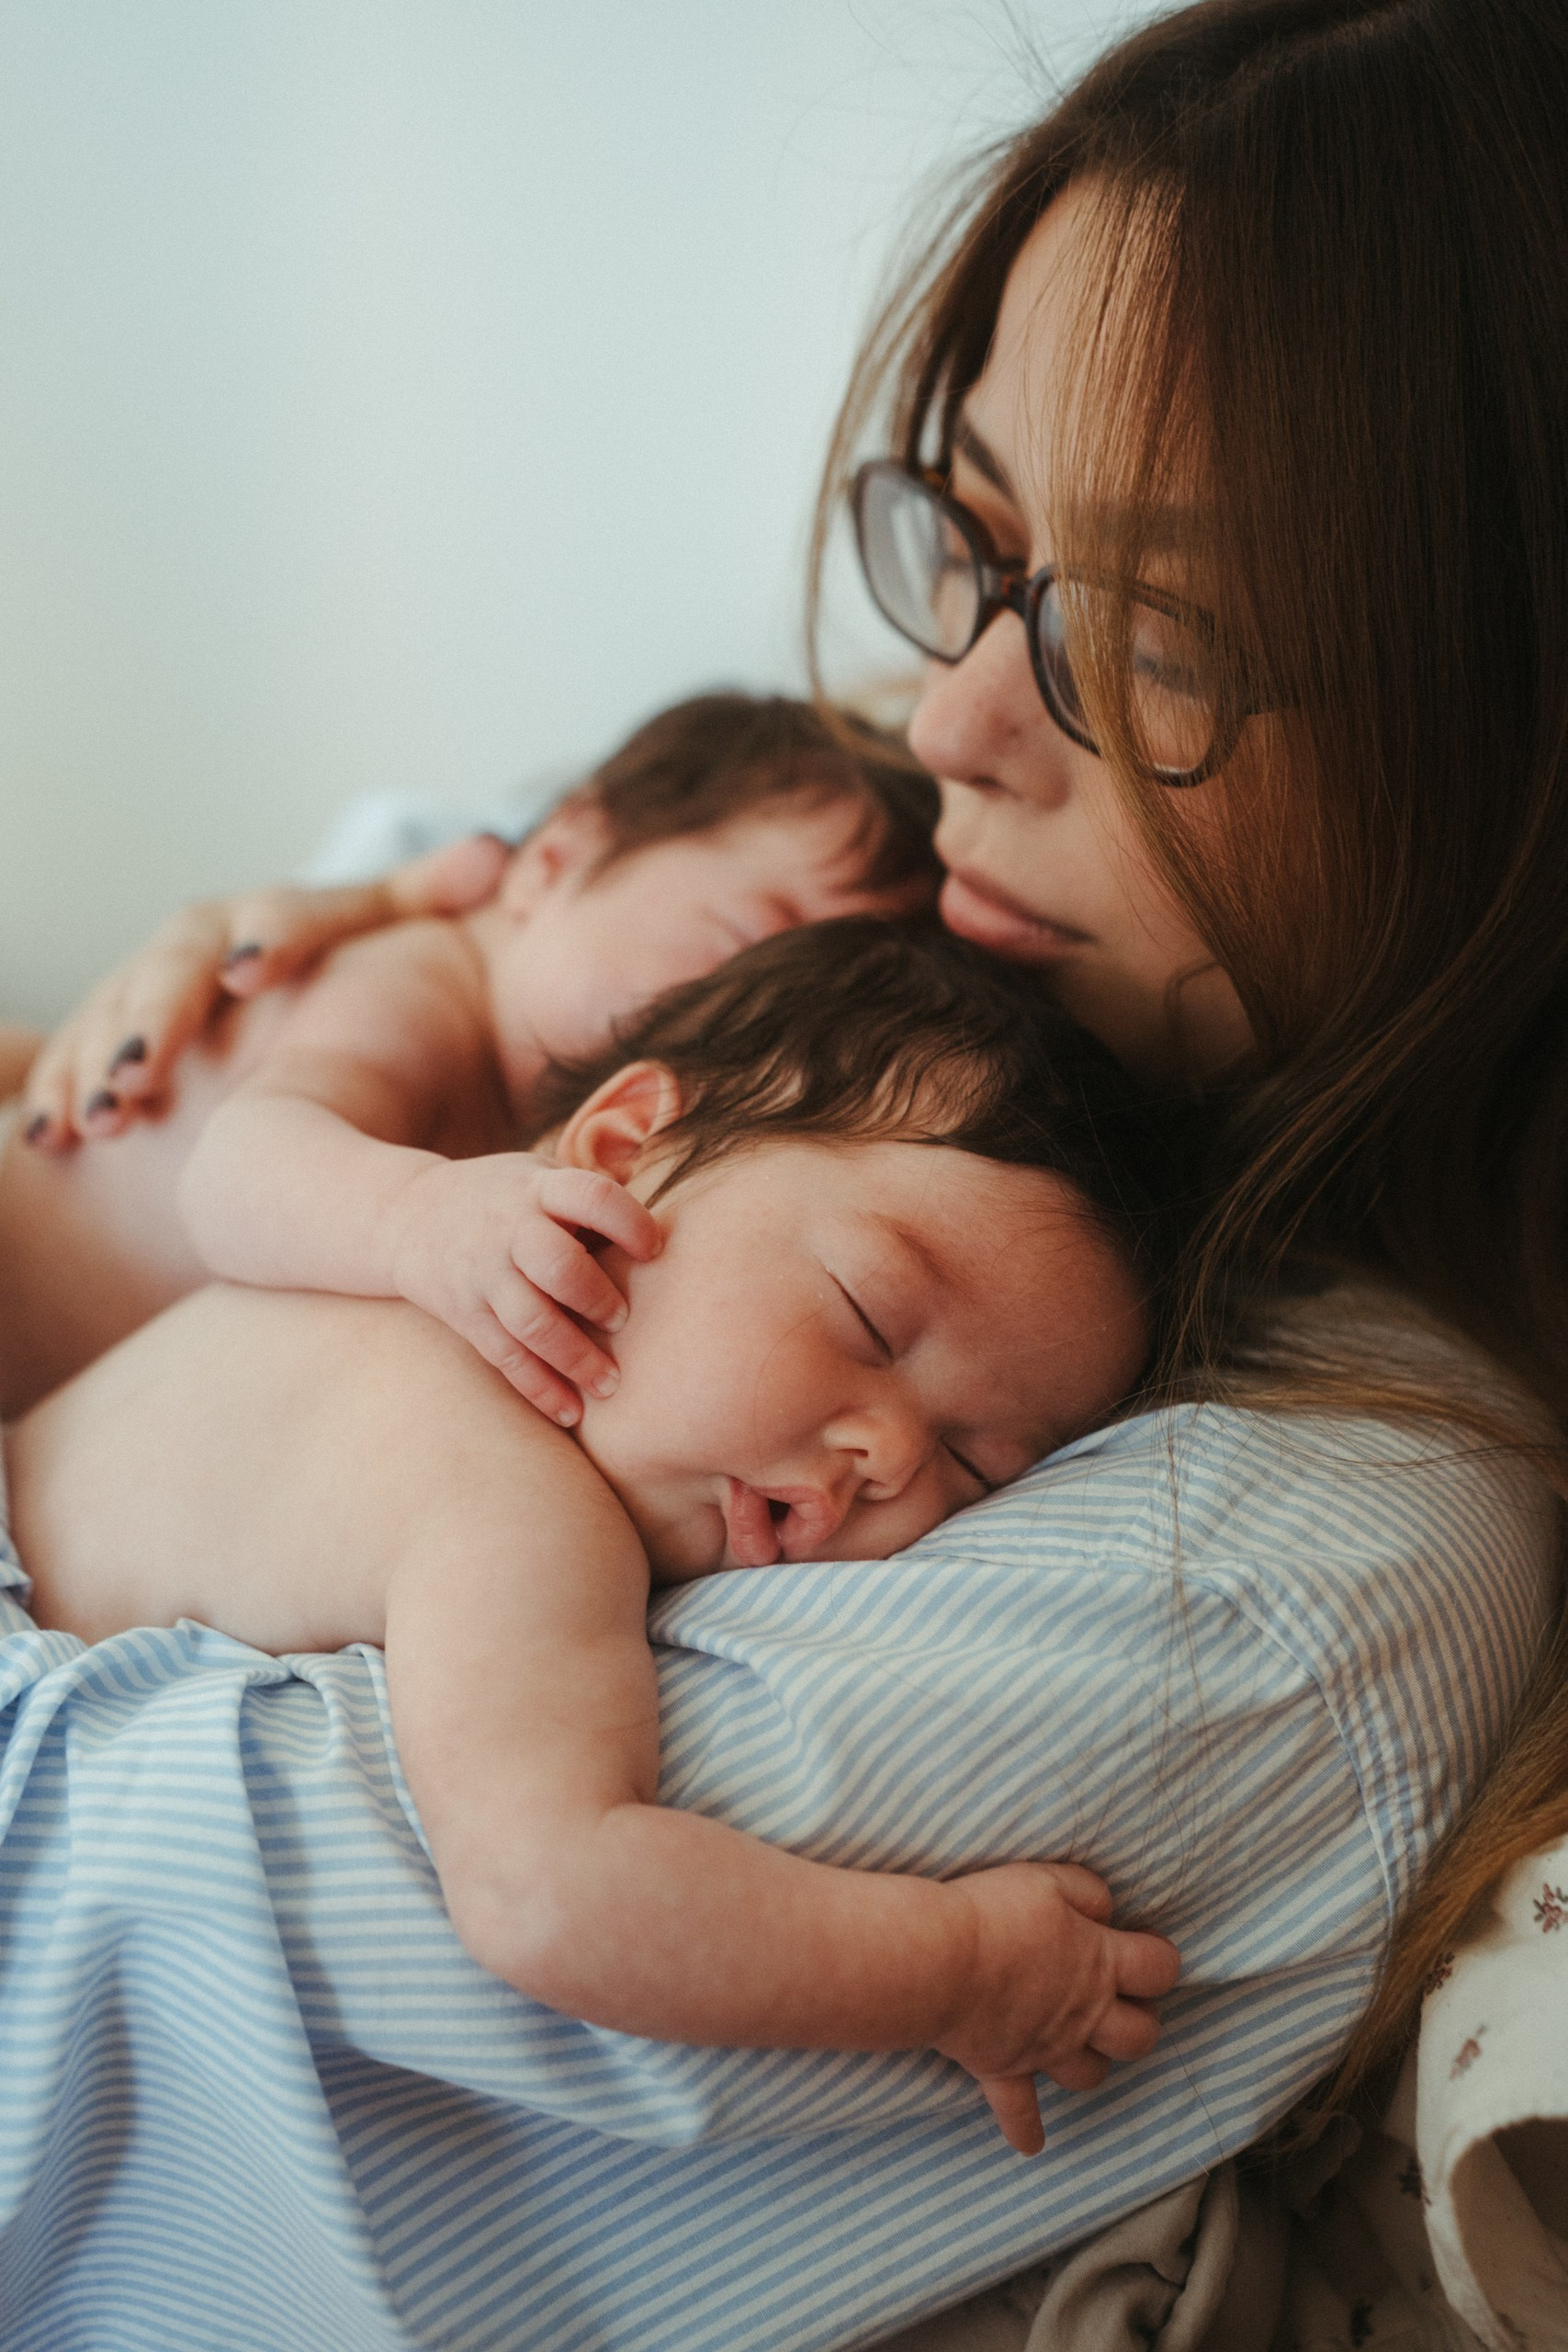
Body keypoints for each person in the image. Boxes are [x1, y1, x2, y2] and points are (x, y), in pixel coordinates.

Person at [2, 3, 1566, 2346]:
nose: (946, 726)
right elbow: (339, 954)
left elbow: (186, 1933)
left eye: (1154, 640)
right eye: (979, 546)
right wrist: (367, 942)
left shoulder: (1308, 1552)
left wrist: (950, 1963)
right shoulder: (877, 924)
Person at [5, 919, 1179, 2160]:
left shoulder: (393, 1289)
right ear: (623, 1151)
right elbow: (549, 1893)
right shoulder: (517, 1505)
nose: (890, 1457)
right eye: (868, 1317)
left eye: (971, 1463)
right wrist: (957, 1973)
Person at [0, 693, 938, 1419]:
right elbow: (235, 1166)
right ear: (558, 854)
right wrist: (416, 1218)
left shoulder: (535, 1084)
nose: (737, 1033)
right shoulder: (416, 993)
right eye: (743, 947)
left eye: (790, 1026)